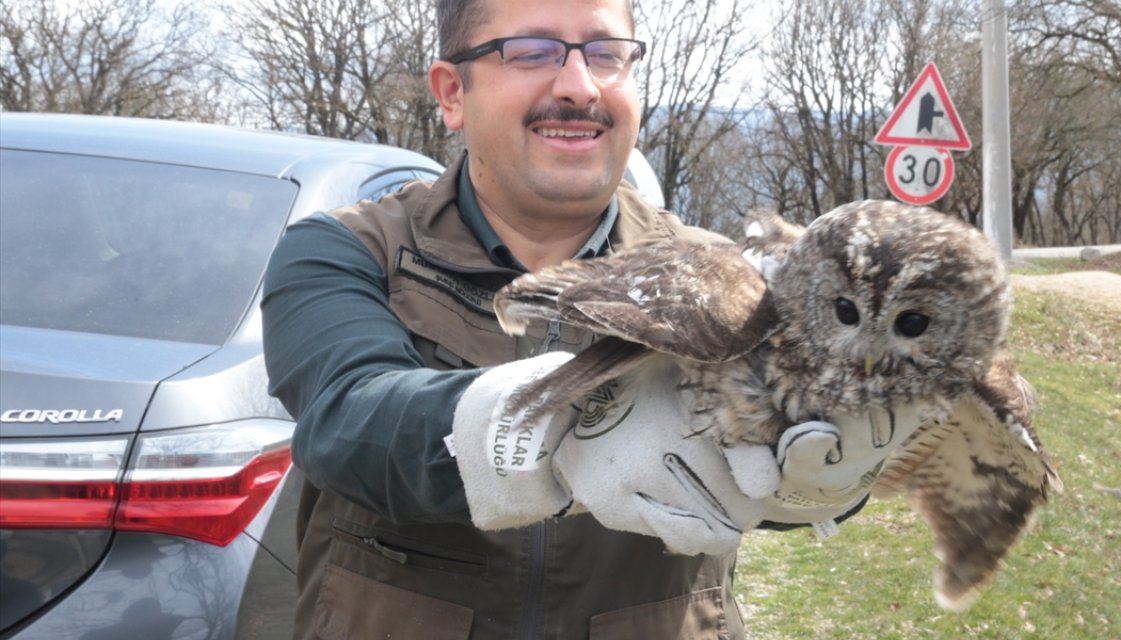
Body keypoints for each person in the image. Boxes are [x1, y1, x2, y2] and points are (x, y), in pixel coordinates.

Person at [261, 1, 878, 637]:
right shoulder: (346, 250)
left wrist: (823, 472)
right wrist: (574, 429)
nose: (580, 86)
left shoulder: (725, 277)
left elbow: (789, 473)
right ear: (452, 93)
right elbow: (350, 421)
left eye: (607, 53)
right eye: (532, 51)